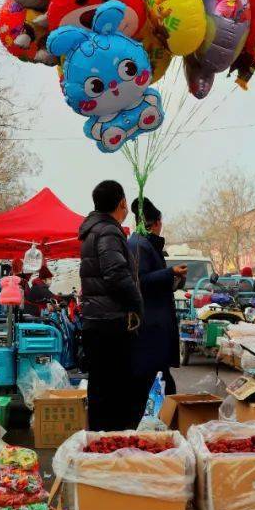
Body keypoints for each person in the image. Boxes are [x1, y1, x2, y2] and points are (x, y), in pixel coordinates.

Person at [78, 180, 144, 431]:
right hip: (110, 324)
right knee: (115, 393)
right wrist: (137, 303)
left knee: (102, 390)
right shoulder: (108, 231)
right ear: (122, 202)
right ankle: (111, 449)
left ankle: (100, 447)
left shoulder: (93, 230)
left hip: (97, 321)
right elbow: (116, 274)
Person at [127, 197, 187, 398]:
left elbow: (156, 282)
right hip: (149, 325)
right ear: (157, 223)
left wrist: (175, 278)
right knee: (155, 379)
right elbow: (141, 281)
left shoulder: (146, 244)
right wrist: (170, 273)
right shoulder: (139, 245)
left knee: (160, 378)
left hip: (154, 323)